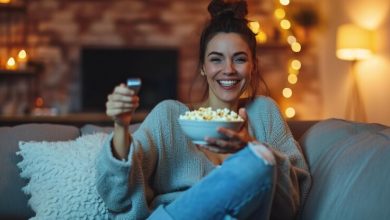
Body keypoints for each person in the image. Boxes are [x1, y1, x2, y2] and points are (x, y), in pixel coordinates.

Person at [96, 0, 311, 219]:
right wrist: (121, 126)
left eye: (239, 59)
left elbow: (294, 200)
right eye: (216, 59)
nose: (228, 70)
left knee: (259, 161)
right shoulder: (169, 116)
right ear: (202, 67)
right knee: (260, 160)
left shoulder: (264, 112)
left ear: (253, 65)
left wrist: (250, 147)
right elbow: (117, 196)